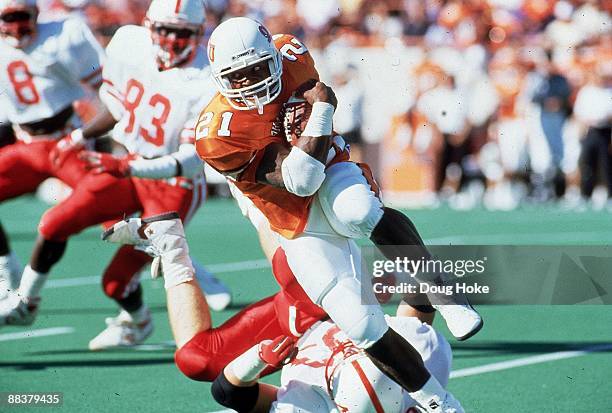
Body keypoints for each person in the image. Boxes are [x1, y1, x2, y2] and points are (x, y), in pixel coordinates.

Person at [195, 17, 468, 412]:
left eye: (256, 68)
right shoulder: (219, 134)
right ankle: (439, 395)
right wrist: (321, 109)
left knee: (358, 212)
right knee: (361, 319)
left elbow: (228, 392)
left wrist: (263, 357)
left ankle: (442, 362)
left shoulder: (304, 399)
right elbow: (300, 181)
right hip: (296, 200)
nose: (252, 82)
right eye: (239, 75)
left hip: (303, 202)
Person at [0, 0, 231, 350]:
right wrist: (79, 137)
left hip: (174, 185)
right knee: (55, 221)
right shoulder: (129, 42)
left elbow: (190, 161)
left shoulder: (207, 81)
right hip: (131, 163)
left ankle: (139, 321)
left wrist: (126, 166)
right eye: (164, 29)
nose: (170, 40)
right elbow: (118, 105)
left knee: (115, 282)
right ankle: (25, 303)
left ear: (198, 34)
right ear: (148, 25)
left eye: (181, 32)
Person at [0, 0, 104, 299]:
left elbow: (104, 86)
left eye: (23, 16)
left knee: (112, 205)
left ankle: (178, 266)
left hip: (65, 142)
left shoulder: (64, 32)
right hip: (25, 144)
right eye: (9, 17)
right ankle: (5, 268)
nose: (17, 25)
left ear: (35, 15)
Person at [212, 308, 452, 413]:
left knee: (195, 360)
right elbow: (419, 295)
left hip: (292, 320)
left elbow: (228, 391)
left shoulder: (311, 406)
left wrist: (258, 356)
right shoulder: (424, 353)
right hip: (336, 291)